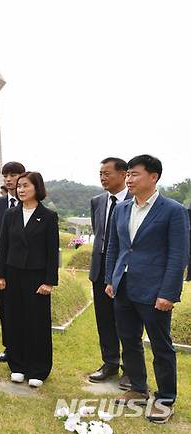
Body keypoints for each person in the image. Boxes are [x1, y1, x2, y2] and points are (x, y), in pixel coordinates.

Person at [105, 155, 189, 424]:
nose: (128, 179)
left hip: (155, 291)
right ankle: (138, 389)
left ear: (153, 177)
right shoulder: (122, 208)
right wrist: (110, 280)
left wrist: (168, 293)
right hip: (123, 287)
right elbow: (116, 248)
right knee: (129, 341)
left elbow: (178, 256)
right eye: (127, 174)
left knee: (161, 347)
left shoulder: (173, 210)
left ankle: (165, 399)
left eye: (135, 174)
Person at [0, 171, 59, 388]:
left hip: (37, 277)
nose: (20, 189)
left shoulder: (48, 216)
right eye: (19, 186)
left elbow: (52, 251)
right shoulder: (10, 215)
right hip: (12, 275)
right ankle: (18, 366)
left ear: (37, 188)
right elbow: (3, 247)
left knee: (36, 323)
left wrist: (49, 281)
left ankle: (38, 369)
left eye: (25, 186)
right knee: (15, 321)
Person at [87, 158, 131, 387]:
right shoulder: (97, 201)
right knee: (104, 318)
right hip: (100, 265)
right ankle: (110, 362)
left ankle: (130, 369)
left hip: (125, 267)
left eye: (107, 173)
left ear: (123, 174)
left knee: (125, 320)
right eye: (100, 173)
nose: (103, 177)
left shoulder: (135, 201)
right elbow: (99, 234)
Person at [0, 161, 26, 363]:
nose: (9, 179)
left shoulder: (30, 204)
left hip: (24, 266)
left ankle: (26, 347)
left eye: (13, 175)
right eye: (6, 176)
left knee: (24, 307)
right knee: (5, 308)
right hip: (1, 264)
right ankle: (9, 347)